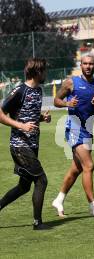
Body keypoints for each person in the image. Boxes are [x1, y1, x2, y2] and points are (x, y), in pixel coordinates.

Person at [0, 58, 51, 230]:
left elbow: (29, 117)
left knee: (23, 187)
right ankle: (38, 223)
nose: (46, 74)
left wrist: (42, 118)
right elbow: (1, 114)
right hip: (20, 145)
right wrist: (21, 126)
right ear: (37, 72)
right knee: (41, 180)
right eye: (44, 71)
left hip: (32, 145)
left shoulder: (39, 91)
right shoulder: (20, 90)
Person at [52, 54, 94, 217]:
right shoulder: (71, 82)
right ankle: (93, 206)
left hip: (87, 129)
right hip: (73, 128)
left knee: (76, 169)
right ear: (80, 65)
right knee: (88, 166)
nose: (88, 66)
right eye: (85, 63)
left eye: (91, 64)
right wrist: (67, 103)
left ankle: (58, 200)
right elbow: (56, 100)